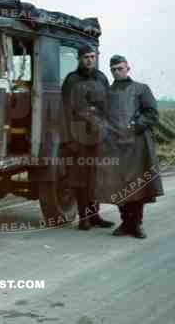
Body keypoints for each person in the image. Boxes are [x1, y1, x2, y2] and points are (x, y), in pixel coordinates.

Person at [95, 54, 164, 238]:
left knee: (137, 187)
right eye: (113, 69)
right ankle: (125, 222)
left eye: (120, 68)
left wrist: (135, 125)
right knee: (118, 186)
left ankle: (136, 224)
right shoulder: (106, 93)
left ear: (128, 68)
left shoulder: (141, 89)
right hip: (114, 147)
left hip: (137, 147)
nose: (117, 72)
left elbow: (152, 113)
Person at [61, 44, 115, 231]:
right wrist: (70, 140)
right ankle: (84, 218)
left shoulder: (101, 78)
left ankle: (95, 216)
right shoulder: (71, 80)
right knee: (81, 178)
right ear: (79, 58)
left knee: (96, 177)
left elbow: (108, 107)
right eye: (86, 57)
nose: (90, 60)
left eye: (92, 56)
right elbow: (65, 111)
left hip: (99, 137)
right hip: (79, 138)